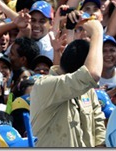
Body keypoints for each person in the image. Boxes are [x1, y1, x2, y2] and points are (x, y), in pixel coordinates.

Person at [30, 19, 106, 147]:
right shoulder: (44, 85)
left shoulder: (87, 90)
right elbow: (92, 74)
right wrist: (97, 32)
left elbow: (98, 127)